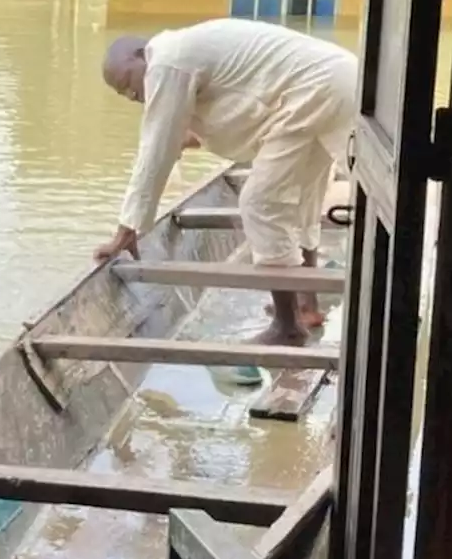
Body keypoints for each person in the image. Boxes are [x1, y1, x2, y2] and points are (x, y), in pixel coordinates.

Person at [95, 18, 357, 348]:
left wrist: (129, 226)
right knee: (304, 198)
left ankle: (287, 326)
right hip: (335, 79)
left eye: (129, 83)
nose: (134, 96)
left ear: (140, 54)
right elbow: (240, 110)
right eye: (125, 94)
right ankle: (307, 305)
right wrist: (184, 139)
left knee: (259, 205)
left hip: (316, 89)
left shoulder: (166, 61)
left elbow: (155, 151)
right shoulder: (187, 50)